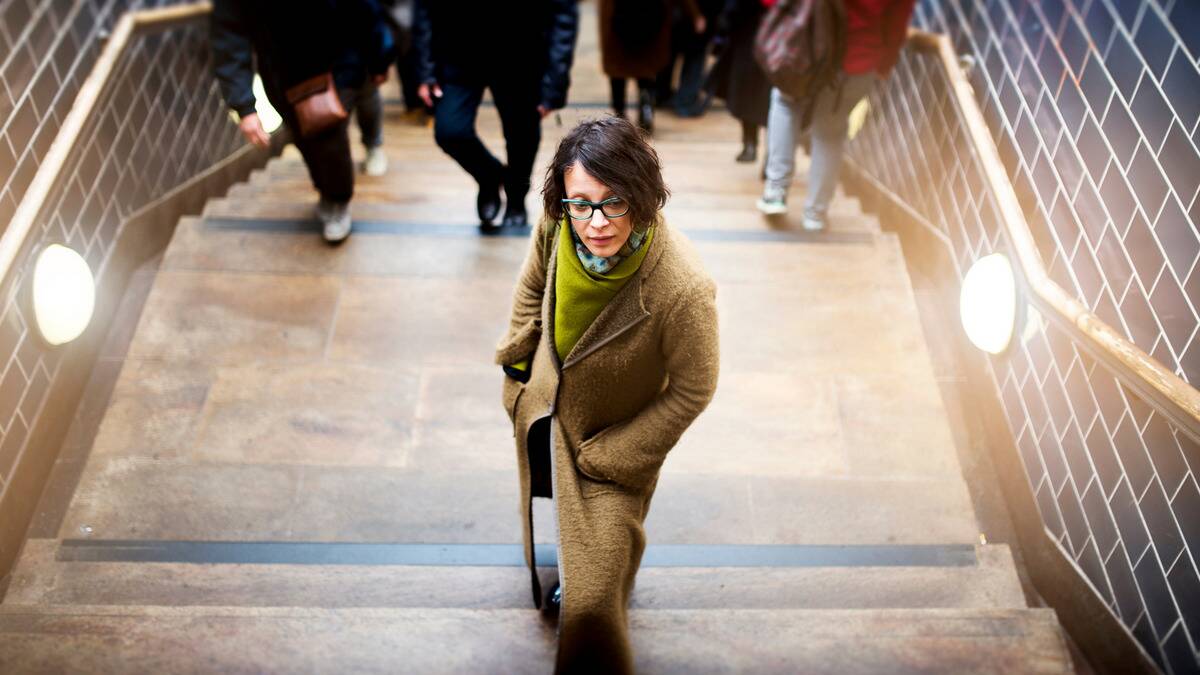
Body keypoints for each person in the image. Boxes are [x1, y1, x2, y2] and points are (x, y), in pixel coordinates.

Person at [496, 117, 719, 673]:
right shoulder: (556, 224)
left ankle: (591, 590)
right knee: (554, 511)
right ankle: (575, 577)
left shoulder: (684, 287)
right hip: (545, 413)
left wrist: (620, 454)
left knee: (595, 609)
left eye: (612, 202)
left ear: (641, 196)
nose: (595, 223)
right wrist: (517, 372)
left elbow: (696, 386)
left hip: (610, 444)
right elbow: (530, 287)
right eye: (581, 203)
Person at [211, 0, 393, 243]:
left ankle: (338, 198)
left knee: (330, 133)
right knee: (307, 137)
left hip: (340, 58)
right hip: (285, 76)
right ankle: (329, 190)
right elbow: (229, 36)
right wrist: (244, 107)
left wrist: (379, 56)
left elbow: (364, 8)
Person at [412, 0, 578, 231]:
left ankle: (516, 198)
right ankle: (490, 176)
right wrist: (424, 71)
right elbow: (424, 8)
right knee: (450, 131)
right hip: (458, 52)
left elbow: (563, 12)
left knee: (522, 134)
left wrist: (555, 82)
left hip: (520, 53)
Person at [757, 0, 915, 230]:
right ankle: (815, 215)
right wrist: (885, 62)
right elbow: (897, 21)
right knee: (830, 133)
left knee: (785, 103)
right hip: (858, 59)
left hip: (807, 48)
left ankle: (775, 192)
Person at [600, 0, 706, 133]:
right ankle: (645, 108)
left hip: (616, 22)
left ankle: (620, 115)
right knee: (645, 70)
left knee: (619, 73)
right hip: (649, 20)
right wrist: (694, 14)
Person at [707, 0, 773, 162]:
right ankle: (772, 155)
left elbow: (734, 10)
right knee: (773, 102)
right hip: (778, 44)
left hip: (750, 39)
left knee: (750, 98)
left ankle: (751, 146)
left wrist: (724, 28)